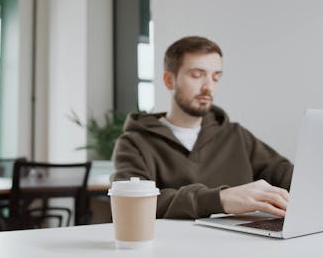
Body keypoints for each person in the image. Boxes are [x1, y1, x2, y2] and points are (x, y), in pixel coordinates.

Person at [112, 36, 293, 219]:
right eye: (197, 75)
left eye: (216, 77)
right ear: (169, 80)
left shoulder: (236, 135)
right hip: (172, 245)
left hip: (240, 243)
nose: (208, 87)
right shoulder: (134, 142)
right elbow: (131, 203)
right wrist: (220, 199)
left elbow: (286, 174)